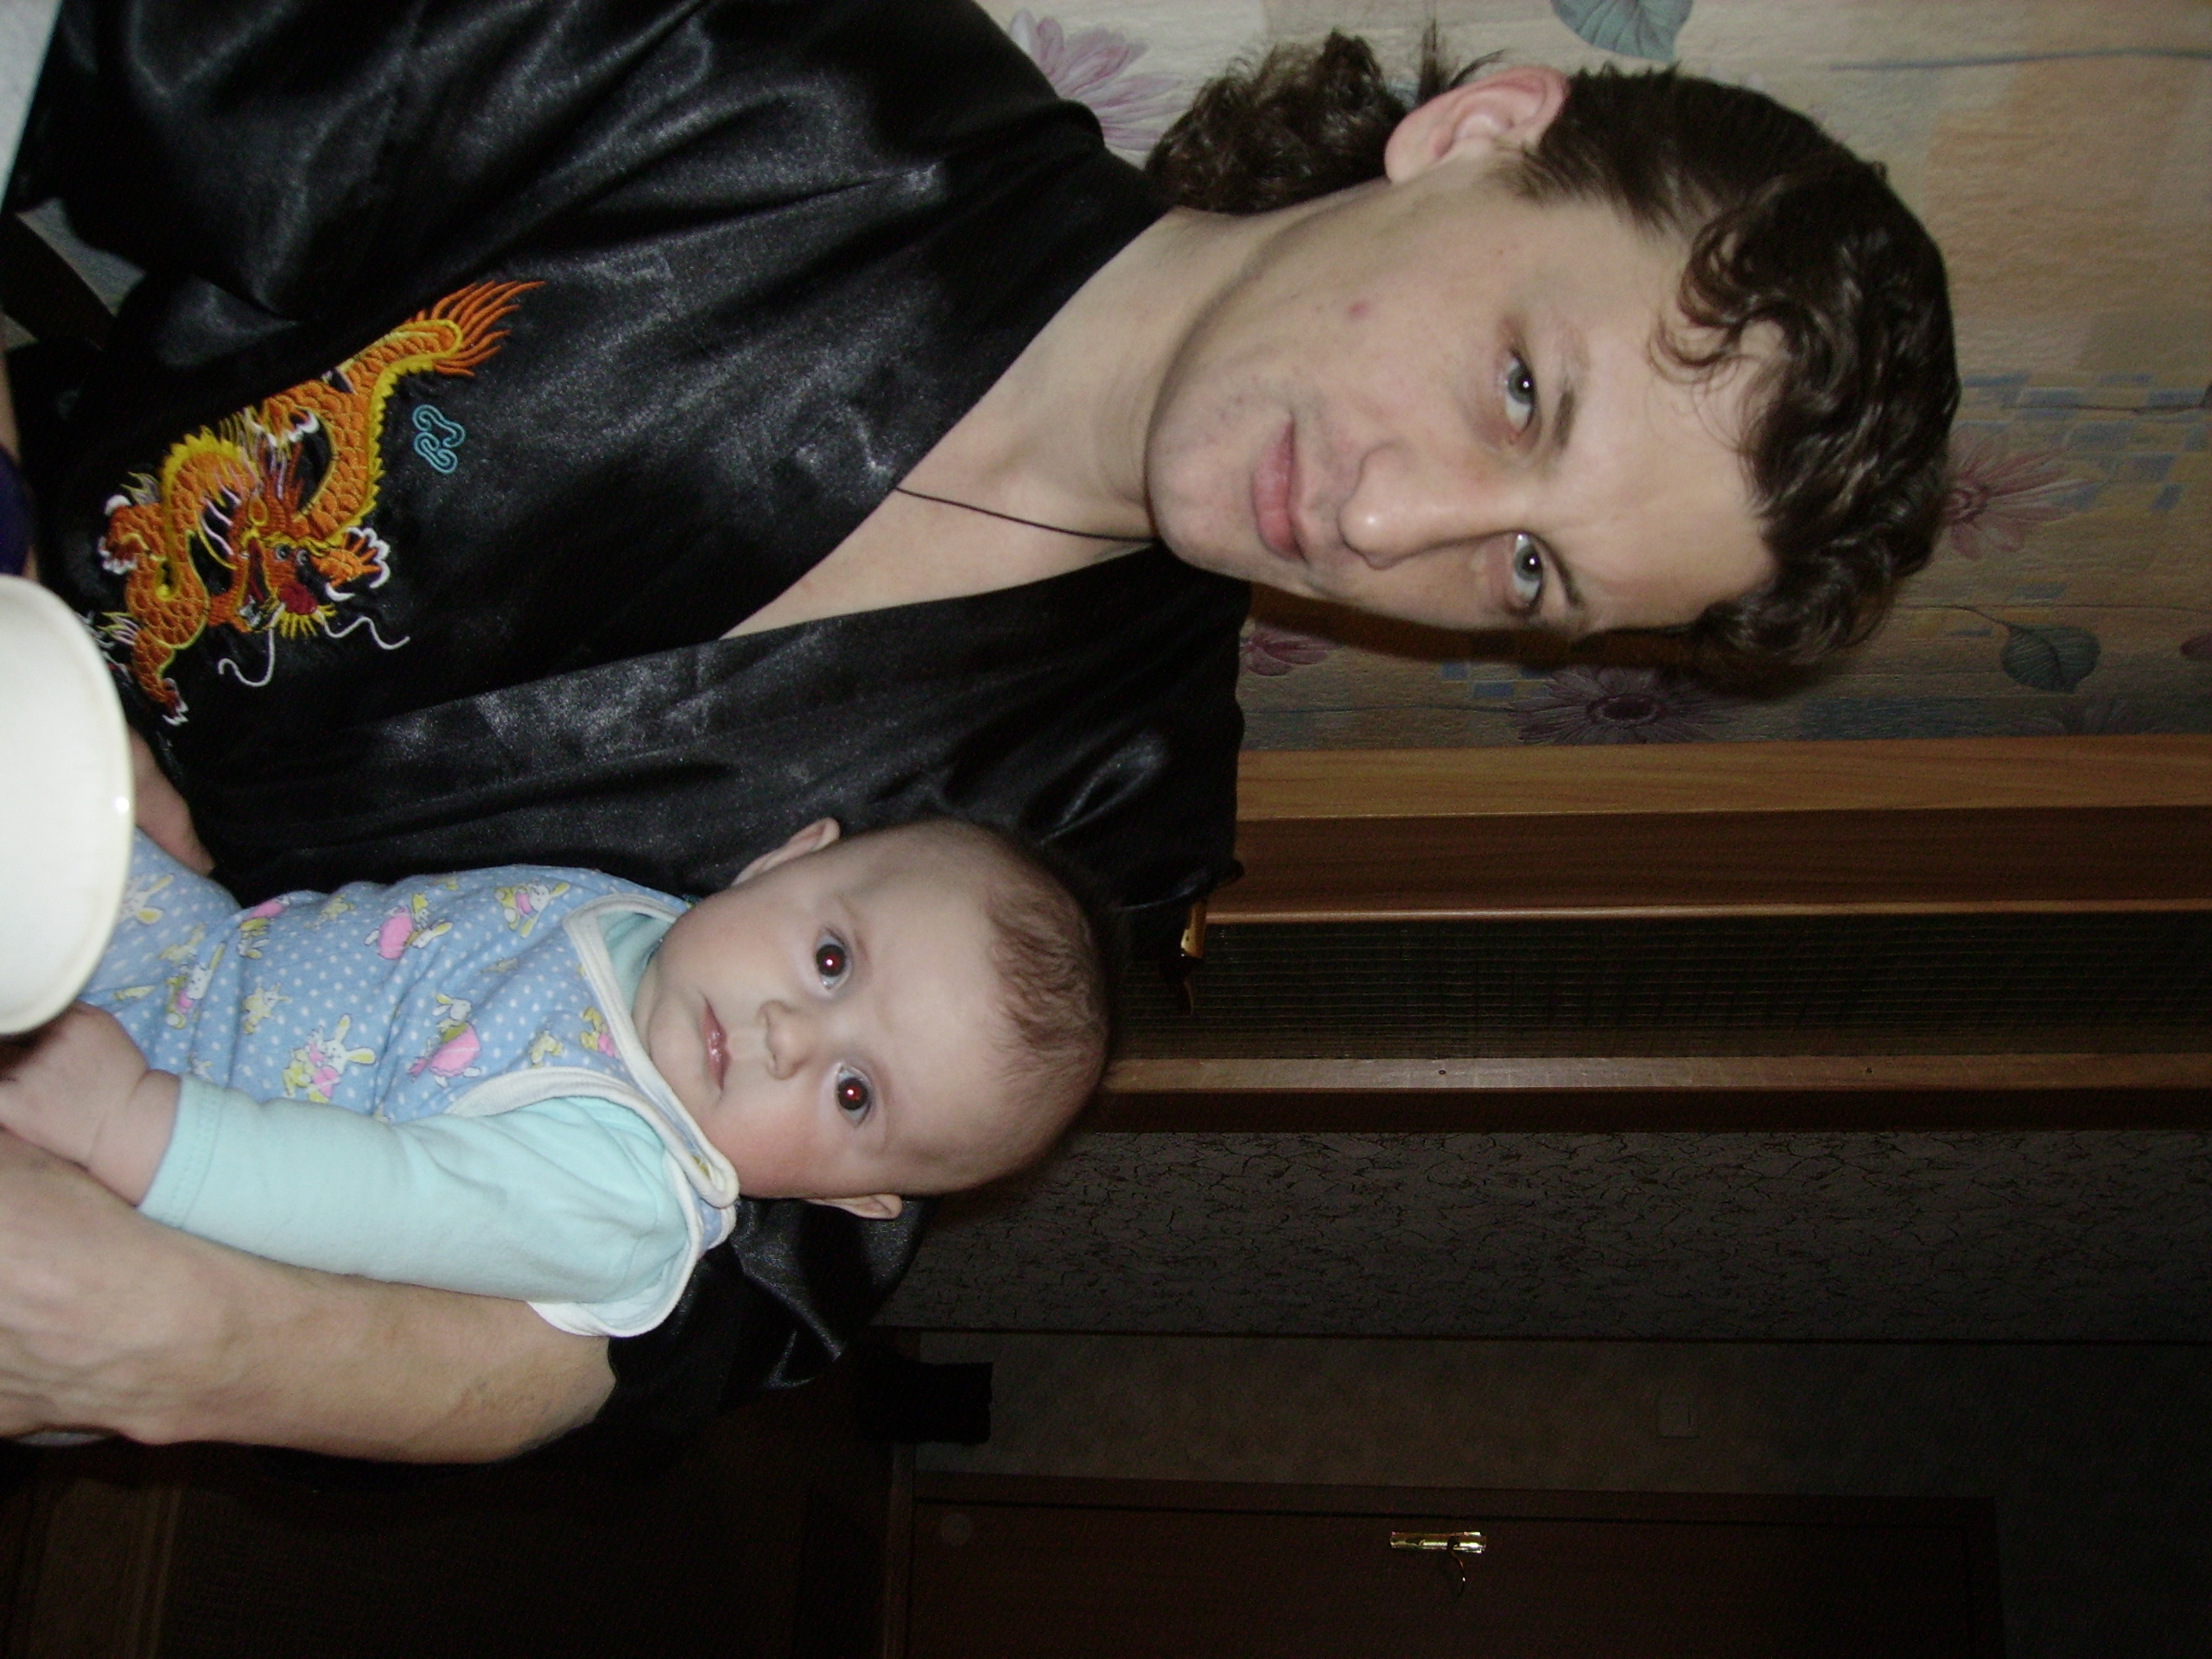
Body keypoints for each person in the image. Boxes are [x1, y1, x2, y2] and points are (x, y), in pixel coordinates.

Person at [0, 0, 1956, 1462]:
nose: (1389, 530)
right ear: (1476, 136)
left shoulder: (1100, 823)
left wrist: (190, 1346)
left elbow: (685, 1310)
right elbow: (97, 47)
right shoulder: (773, 71)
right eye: (1518, 388)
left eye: (1527, 573)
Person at [0, 817, 1109, 1336]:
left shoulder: (618, 1190)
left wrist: (125, 1124)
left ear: (849, 1198)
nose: (788, 1037)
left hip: (151, 1166)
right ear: (785, 857)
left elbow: (376, 1202)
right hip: (203, 962)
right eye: (830, 961)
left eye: (853, 1094)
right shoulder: (657, 930)